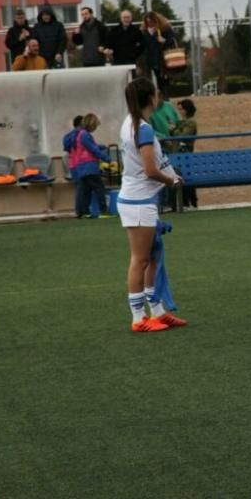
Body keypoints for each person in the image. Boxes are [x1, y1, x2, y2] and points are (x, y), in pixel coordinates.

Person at [117, 77, 188, 332]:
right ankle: (138, 318)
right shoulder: (142, 128)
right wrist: (171, 181)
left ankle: (156, 310)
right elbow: (149, 169)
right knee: (140, 259)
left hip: (138, 199)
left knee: (153, 255)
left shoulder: (131, 123)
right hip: (138, 201)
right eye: (156, 94)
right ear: (150, 98)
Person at [68, 113, 111, 218]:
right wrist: (107, 158)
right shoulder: (86, 135)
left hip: (81, 167)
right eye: (95, 125)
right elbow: (93, 149)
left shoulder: (81, 134)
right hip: (89, 167)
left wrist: (100, 147)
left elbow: (89, 147)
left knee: (85, 191)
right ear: (91, 124)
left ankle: (85, 212)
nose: (96, 128)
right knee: (99, 188)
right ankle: (103, 211)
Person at [172, 98, 199, 209]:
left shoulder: (191, 122)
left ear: (187, 110)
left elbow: (184, 135)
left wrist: (173, 130)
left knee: (187, 178)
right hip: (179, 153)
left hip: (185, 153)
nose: (180, 111)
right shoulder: (183, 122)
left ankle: (191, 202)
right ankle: (185, 202)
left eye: (181, 109)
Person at [140, 12, 176, 91]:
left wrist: (164, 41)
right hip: (151, 59)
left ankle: (165, 97)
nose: (150, 24)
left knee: (163, 78)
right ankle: (162, 96)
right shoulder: (144, 31)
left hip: (164, 58)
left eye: (151, 21)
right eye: (147, 22)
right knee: (158, 78)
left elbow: (173, 40)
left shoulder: (165, 28)